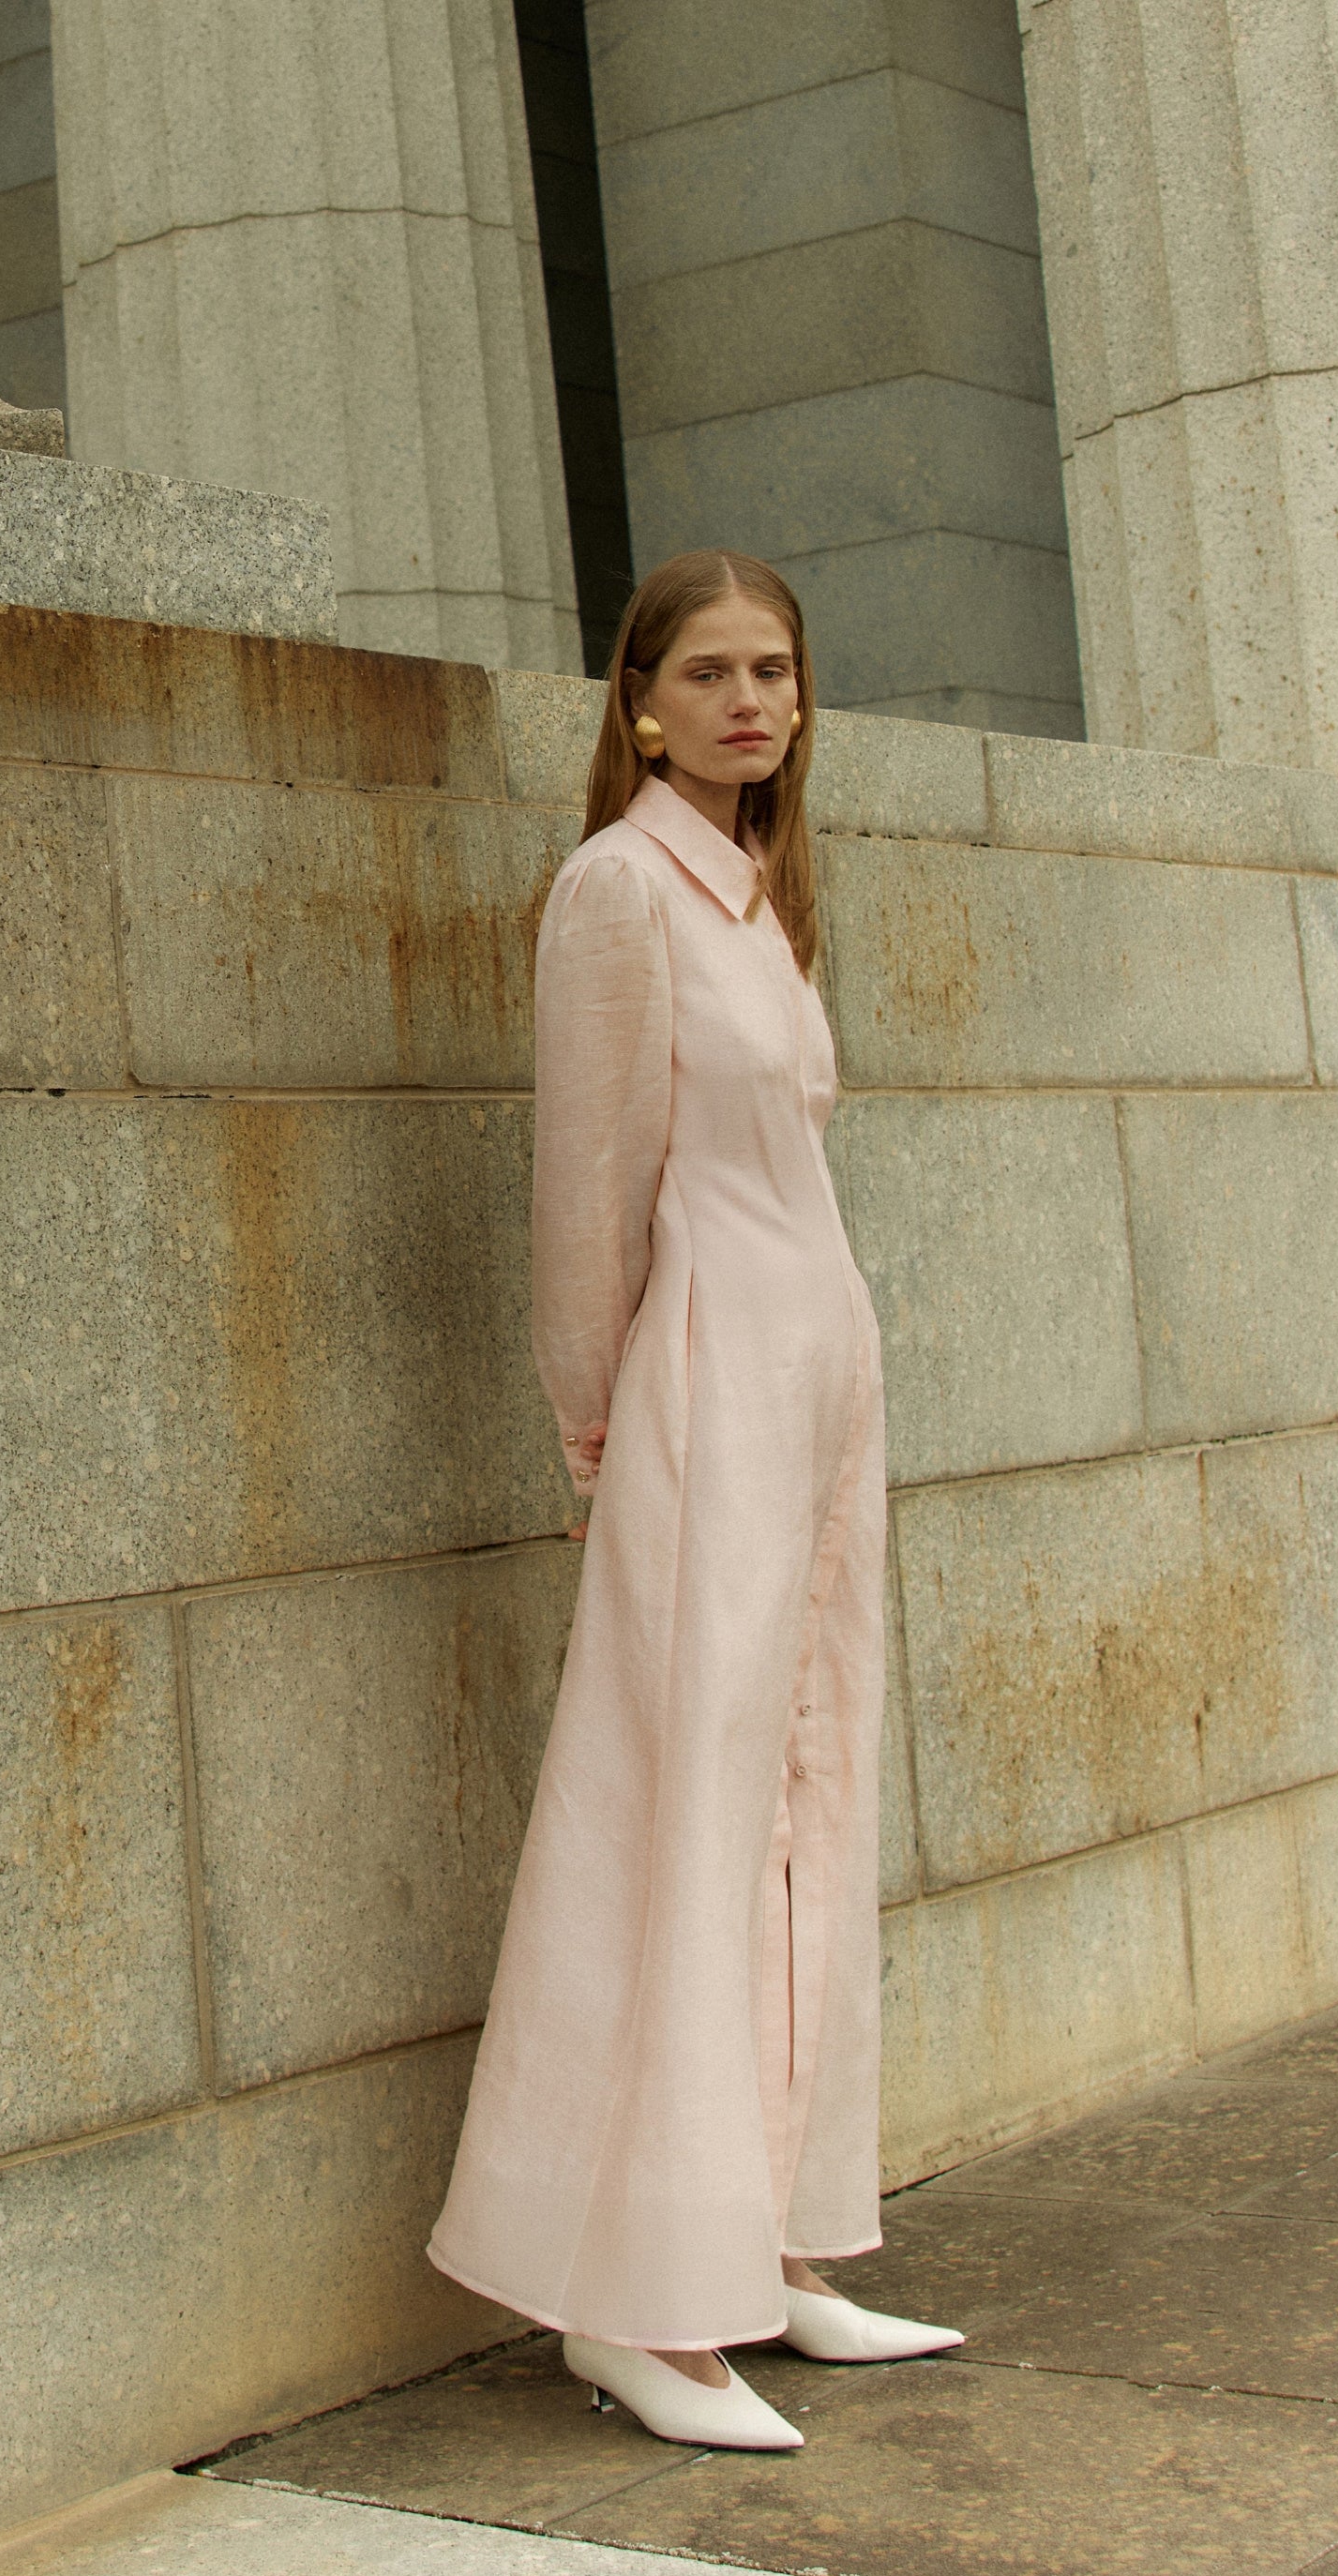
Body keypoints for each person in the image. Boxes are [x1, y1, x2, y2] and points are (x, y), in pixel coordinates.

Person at [428, 550, 960, 2450]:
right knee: (682, 1818)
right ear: (640, 702)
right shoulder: (615, 895)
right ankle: (637, 2306)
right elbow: (590, 1196)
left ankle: (774, 2245)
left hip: (818, 1387)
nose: (750, 701)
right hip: (703, 1394)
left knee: (807, 1796)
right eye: (712, 673)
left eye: (776, 672)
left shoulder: (762, 902)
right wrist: (595, 1441)